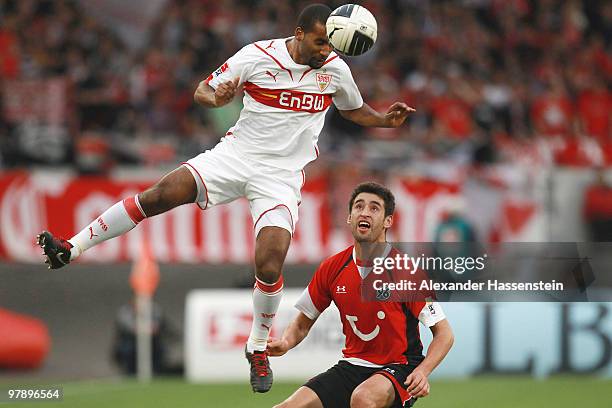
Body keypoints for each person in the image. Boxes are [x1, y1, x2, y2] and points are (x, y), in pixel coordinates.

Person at [36, 4, 413, 392]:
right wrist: (219, 99)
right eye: (320, 42)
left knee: (268, 264)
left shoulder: (335, 69)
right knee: (159, 194)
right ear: (299, 35)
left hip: (280, 177)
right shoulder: (257, 55)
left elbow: (354, 110)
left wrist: (384, 120)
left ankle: (258, 347)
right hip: (234, 157)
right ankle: (72, 246)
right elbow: (203, 91)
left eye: (330, 44)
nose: (326, 51)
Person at [268, 182, 454, 408]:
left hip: (400, 367)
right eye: (359, 206)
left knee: (363, 398)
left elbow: (444, 334)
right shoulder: (332, 268)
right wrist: (286, 342)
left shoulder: (406, 271)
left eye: (374, 208)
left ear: (388, 221)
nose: (364, 212)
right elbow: (302, 323)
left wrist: (423, 372)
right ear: (349, 217)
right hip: (352, 366)